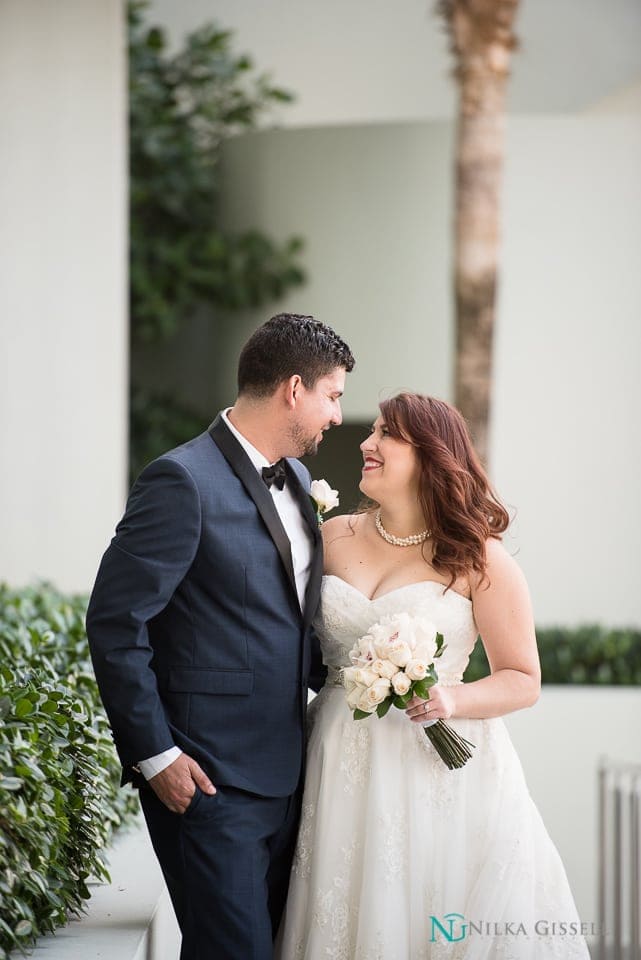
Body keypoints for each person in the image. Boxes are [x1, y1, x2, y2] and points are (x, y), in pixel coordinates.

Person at [275, 393, 590, 959]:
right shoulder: (332, 537)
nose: (366, 444)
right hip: (337, 759)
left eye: (385, 435)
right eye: (371, 432)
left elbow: (522, 677)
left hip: (438, 770)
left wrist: (449, 696)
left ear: (431, 456)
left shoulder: (480, 559)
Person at [86, 313, 355, 960]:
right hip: (206, 777)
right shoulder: (181, 481)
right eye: (333, 394)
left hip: (291, 774)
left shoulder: (293, 480)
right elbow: (116, 622)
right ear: (294, 388)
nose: (338, 416)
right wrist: (155, 756)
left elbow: (288, 624)